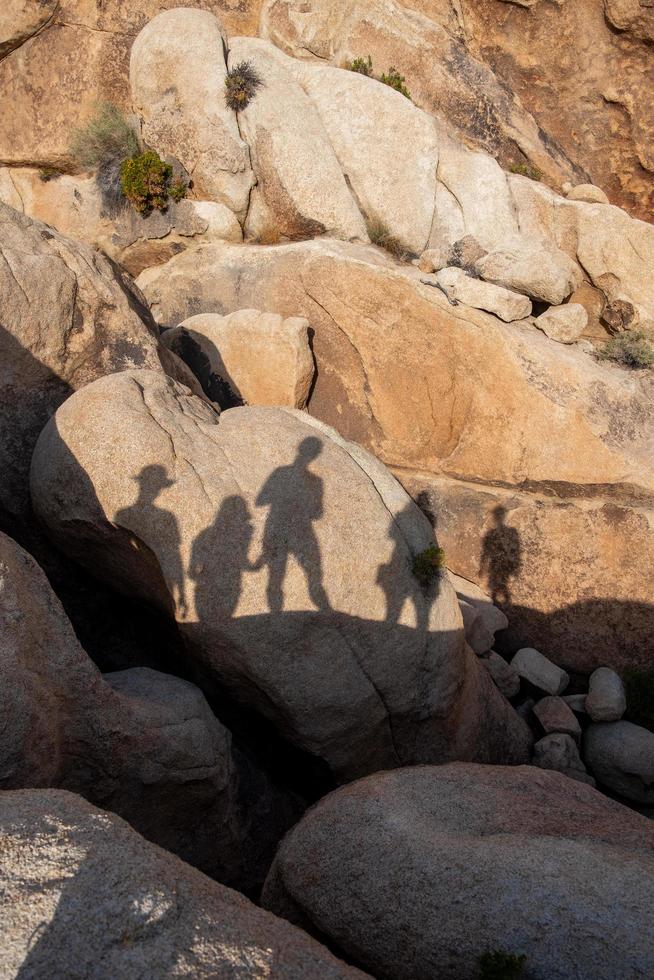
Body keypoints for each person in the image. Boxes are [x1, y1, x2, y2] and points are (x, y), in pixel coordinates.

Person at [254, 436, 331, 614]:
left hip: (286, 527)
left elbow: (260, 500)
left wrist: (285, 499)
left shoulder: (284, 473)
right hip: (296, 529)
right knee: (305, 577)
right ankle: (279, 617)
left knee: (280, 579)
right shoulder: (314, 481)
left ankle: (276, 617)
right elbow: (317, 514)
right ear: (316, 454)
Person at [115, 464, 187, 616]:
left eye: (156, 487)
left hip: (137, 580)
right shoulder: (123, 514)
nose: (154, 491)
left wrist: (181, 593)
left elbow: (175, 554)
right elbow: (175, 555)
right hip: (128, 579)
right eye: (153, 486)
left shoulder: (123, 514)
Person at [479, 505, 522, 606]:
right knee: (495, 585)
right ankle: (497, 605)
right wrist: (482, 566)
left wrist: (482, 566)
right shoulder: (495, 532)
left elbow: (516, 550)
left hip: (503, 563)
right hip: (497, 563)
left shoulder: (508, 531)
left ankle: (502, 604)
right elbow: (486, 551)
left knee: (500, 584)